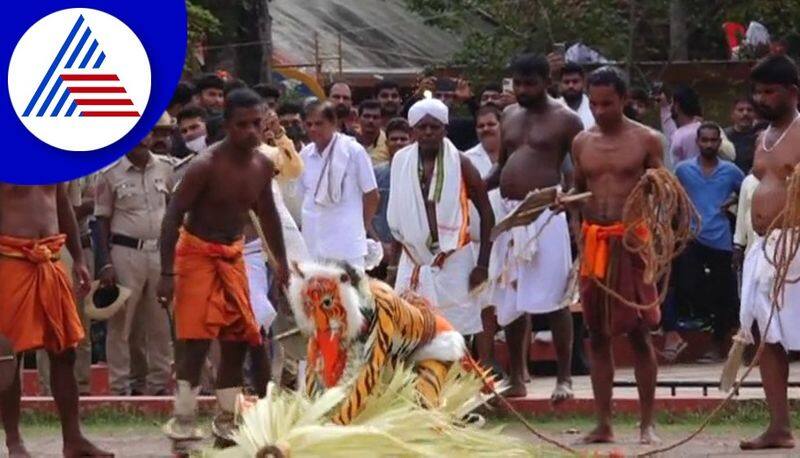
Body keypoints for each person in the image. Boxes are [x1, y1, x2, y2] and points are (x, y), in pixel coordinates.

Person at [158, 88, 289, 441]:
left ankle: (226, 419)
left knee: (240, 336)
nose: (251, 131)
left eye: (256, 124)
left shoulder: (263, 164)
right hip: (196, 253)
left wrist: (282, 262)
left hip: (233, 254)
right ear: (228, 126)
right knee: (196, 338)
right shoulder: (205, 165)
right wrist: (166, 273)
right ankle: (184, 419)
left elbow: (269, 215)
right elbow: (172, 216)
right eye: (242, 125)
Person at [566, 67, 665, 445]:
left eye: (607, 102)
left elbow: (663, 189)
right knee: (597, 334)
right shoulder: (581, 142)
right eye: (594, 103)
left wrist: (653, 235)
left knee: (640, 332)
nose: (600, 110)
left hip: (633, 242)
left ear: (624, 100)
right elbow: (578, 191)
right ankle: (604, 423)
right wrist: (573, 223)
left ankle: (647, 424)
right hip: (594, 245)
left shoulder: (647, 140)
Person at [484, 53, 583, 400]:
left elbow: (578, 172)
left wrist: (571, 207)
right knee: (510, 301)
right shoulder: (509, 116)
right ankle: (517, 378)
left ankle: (564, 378)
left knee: (556, 298)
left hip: (546, 215)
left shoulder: (566, 120)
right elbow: (501, 169)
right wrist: (473, 190)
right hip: (509, 215)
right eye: (518, 83)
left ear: (546, 82)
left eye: (530, 83)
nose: (523, 90)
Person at [0, 184, 112, 457]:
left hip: (52, 259)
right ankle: (14, 441)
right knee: (8, 355)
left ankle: (72, 439)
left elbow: (62, 205)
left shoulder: (50, 157)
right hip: (10, 259)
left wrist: (79, 258)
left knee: (65, 351)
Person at [387, 97, 493, 338]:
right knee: (411, 330)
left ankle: (458, 376)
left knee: (457, 331)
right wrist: (393, 266)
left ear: (445, 129)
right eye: (422, 127)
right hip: (413, 258)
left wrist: (483, 265)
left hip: (453, 258)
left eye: (434, 127)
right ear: (412, 131)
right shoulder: (400, 162)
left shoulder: (462, 163)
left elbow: (487, 212)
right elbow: (399, 219)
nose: (428, 132)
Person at [738, 54, 800, 451]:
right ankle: (779, 426)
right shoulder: (762, 137)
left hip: (797, 245)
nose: (761, 98)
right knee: (766, 336)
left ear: (793, 92)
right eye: (757, 91)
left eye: (769, 91)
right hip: (764, 248)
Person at [95, 129, 177, 396]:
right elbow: (101, 220)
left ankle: (158, 385)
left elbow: (174, 209)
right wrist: (104, 263)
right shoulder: (110, 173)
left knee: (160, 322)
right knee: (121, 323)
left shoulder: (166, 168)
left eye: (147, 134)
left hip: (159, 252)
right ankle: (119, 386)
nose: (143, 140)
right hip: (125, 251)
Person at [674, 123, 744, 363]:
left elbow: (747, 192)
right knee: (688, 283)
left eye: (713, 140)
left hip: (720, 239)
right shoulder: (683, 170)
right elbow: (670, 194)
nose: (709, 145)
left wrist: (732, 201)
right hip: (692, 237)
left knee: (724, 292)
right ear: (697, 141)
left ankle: (717, 343)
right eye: (704, 140)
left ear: (719, 142)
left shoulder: (731, 171)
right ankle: (702, 319)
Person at [298, 101, 380, 269]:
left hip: (347, 247)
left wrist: (360, 227)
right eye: (309, 124)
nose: (313, 129)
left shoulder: (354, 151)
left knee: (352, 295)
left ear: (333, 123)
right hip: (313, 246)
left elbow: (372, 195)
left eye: (319, 123)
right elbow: (300, 196)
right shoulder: (305, 155)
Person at [36, 176, 97, 396]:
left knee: (69, 326)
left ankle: (80, 388)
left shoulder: (60, 164)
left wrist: (79, 258)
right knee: (19, 334)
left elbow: (65, 209)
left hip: (57, 247)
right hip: (12, 251)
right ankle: (44, 391)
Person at [463, 105, 504, 370]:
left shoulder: (515, 156)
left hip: (510, 242)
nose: (486, 129)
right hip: (476, 243)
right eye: (481, 125)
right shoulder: (465, 159)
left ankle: (512, 369)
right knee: (479, 305)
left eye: (491, 124)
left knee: (509, 309)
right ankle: (482, 364)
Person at [372, 117, 412, 281]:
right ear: (387, 143)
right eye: (394, 139)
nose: (399, 142)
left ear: (411, 141)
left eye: (403, 139)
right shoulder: (375, 174)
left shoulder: (421, 174)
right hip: (379, 252)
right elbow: (366, 213)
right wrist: (379, 243)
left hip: (410, 254)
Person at [724, 98, 759, 173]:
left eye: (749, 110)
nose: (745, 113)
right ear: (732, 115)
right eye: (740, 110)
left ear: (755, 114)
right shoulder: (723, 137)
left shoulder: (761, 138)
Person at [558, 61, 595, 130]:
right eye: (566, 82)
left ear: (584, 83)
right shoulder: (553, 108)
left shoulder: (594, 108)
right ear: (560, 84)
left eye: (575, 81)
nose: (571, 86)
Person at [356, 99, 389, 165]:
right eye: (366, 116)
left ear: (382, 120)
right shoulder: (350, 139)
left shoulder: (388, 143)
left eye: (375, 117)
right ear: (358, 118)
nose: (371, 120)